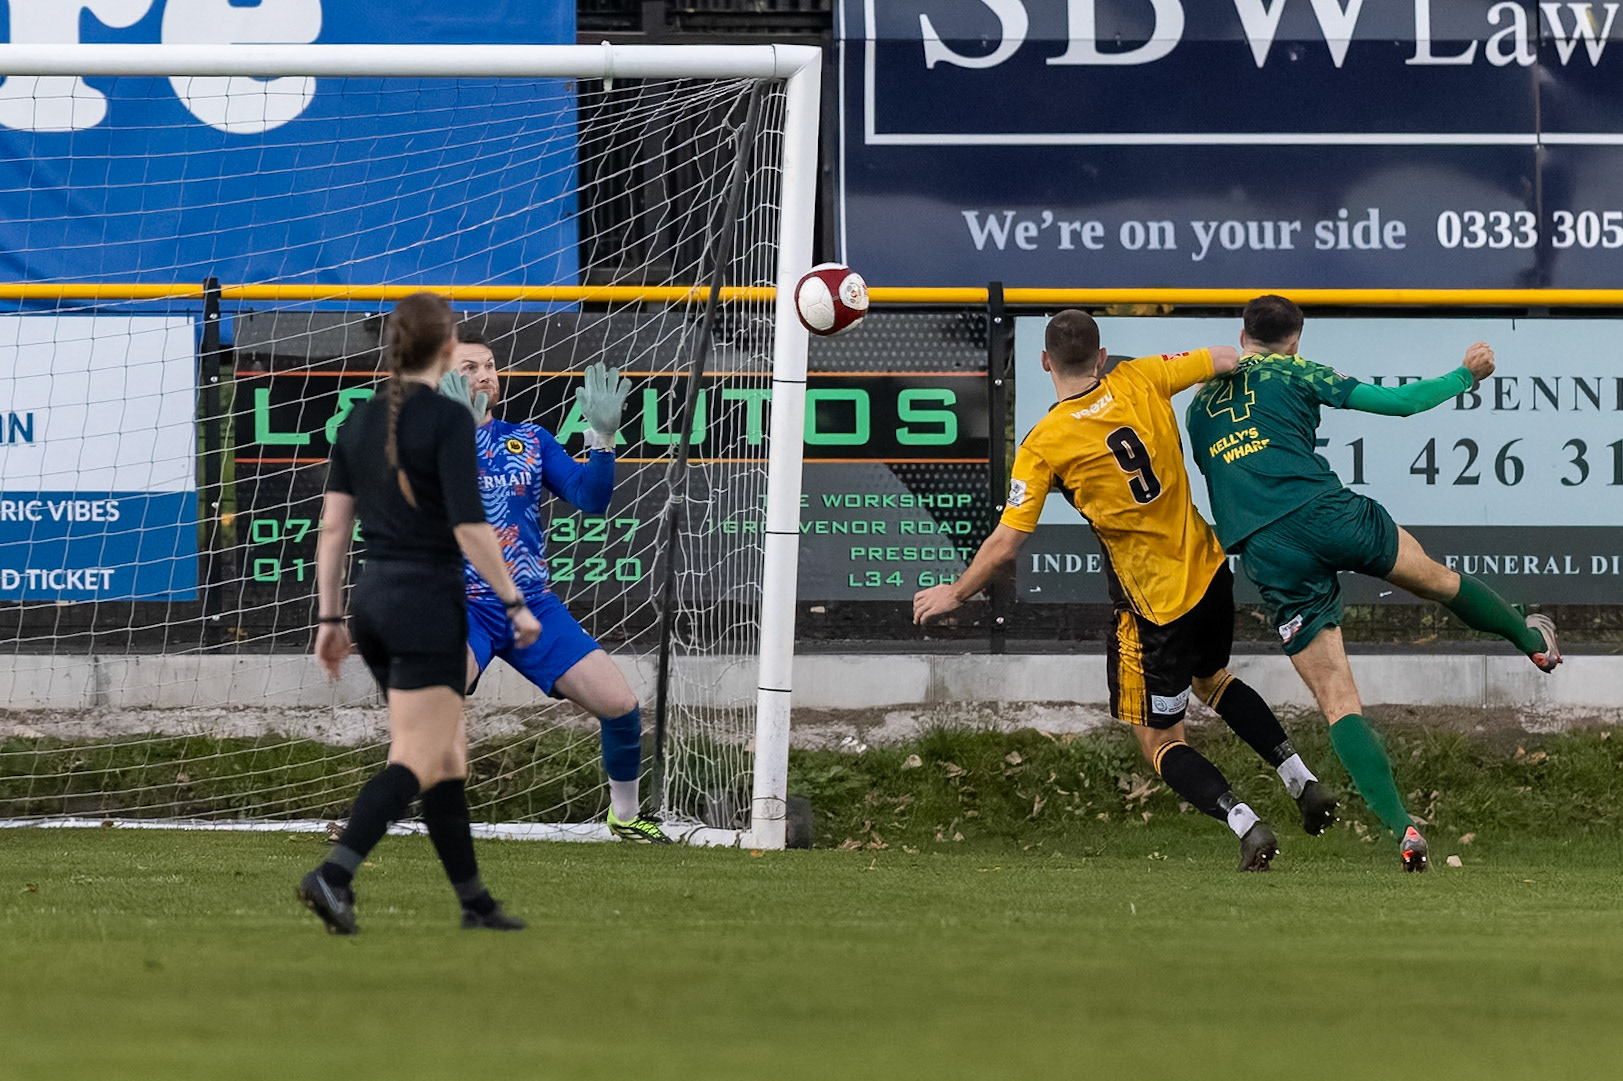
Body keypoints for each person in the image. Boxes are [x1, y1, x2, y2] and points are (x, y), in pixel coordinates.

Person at [914, 310, 1337, 872]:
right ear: (1102, 356)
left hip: (1154, 607)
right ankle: (1301, 780)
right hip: (1209, 572)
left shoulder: (1045, 443)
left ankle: (1246, 824)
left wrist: (956, 592)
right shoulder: (1141, 376)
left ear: (1044, 362)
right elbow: (1227, 358)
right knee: (1211, 678)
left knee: (1160, 742)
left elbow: (1005, 545)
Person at [1185, 294, 1561, 873]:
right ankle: (1533, 643)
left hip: (1268, 548)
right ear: (1295, 339)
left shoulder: (1198, 404)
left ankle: (1403, 828)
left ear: (1242, 335)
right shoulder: (1297, 370)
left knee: (1338, 701)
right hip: (1327, 512)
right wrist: (1467, 374)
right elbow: (1400, 404)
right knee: (1438, 581)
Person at [299, 293, 542, 934]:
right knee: (417, 755)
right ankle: (334, 874)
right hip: (426, 605)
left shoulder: (358, 421)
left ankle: (475, 903)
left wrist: (330, 621)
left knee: (447, 760)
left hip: (374, 605)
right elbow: (471, 529)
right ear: (446, 347)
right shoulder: (447, 419)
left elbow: (333, 530)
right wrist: (515, 603)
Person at [438, 324, 672, 844]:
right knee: (432, 703)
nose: (485, 375)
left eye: (490, 366)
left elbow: (592, 499)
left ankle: (625, 815)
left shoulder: (530, 440)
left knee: (620, 705)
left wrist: (603, 440)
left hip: (532, 606)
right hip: (460, 605)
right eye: (469, 368)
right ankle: (374, 818)